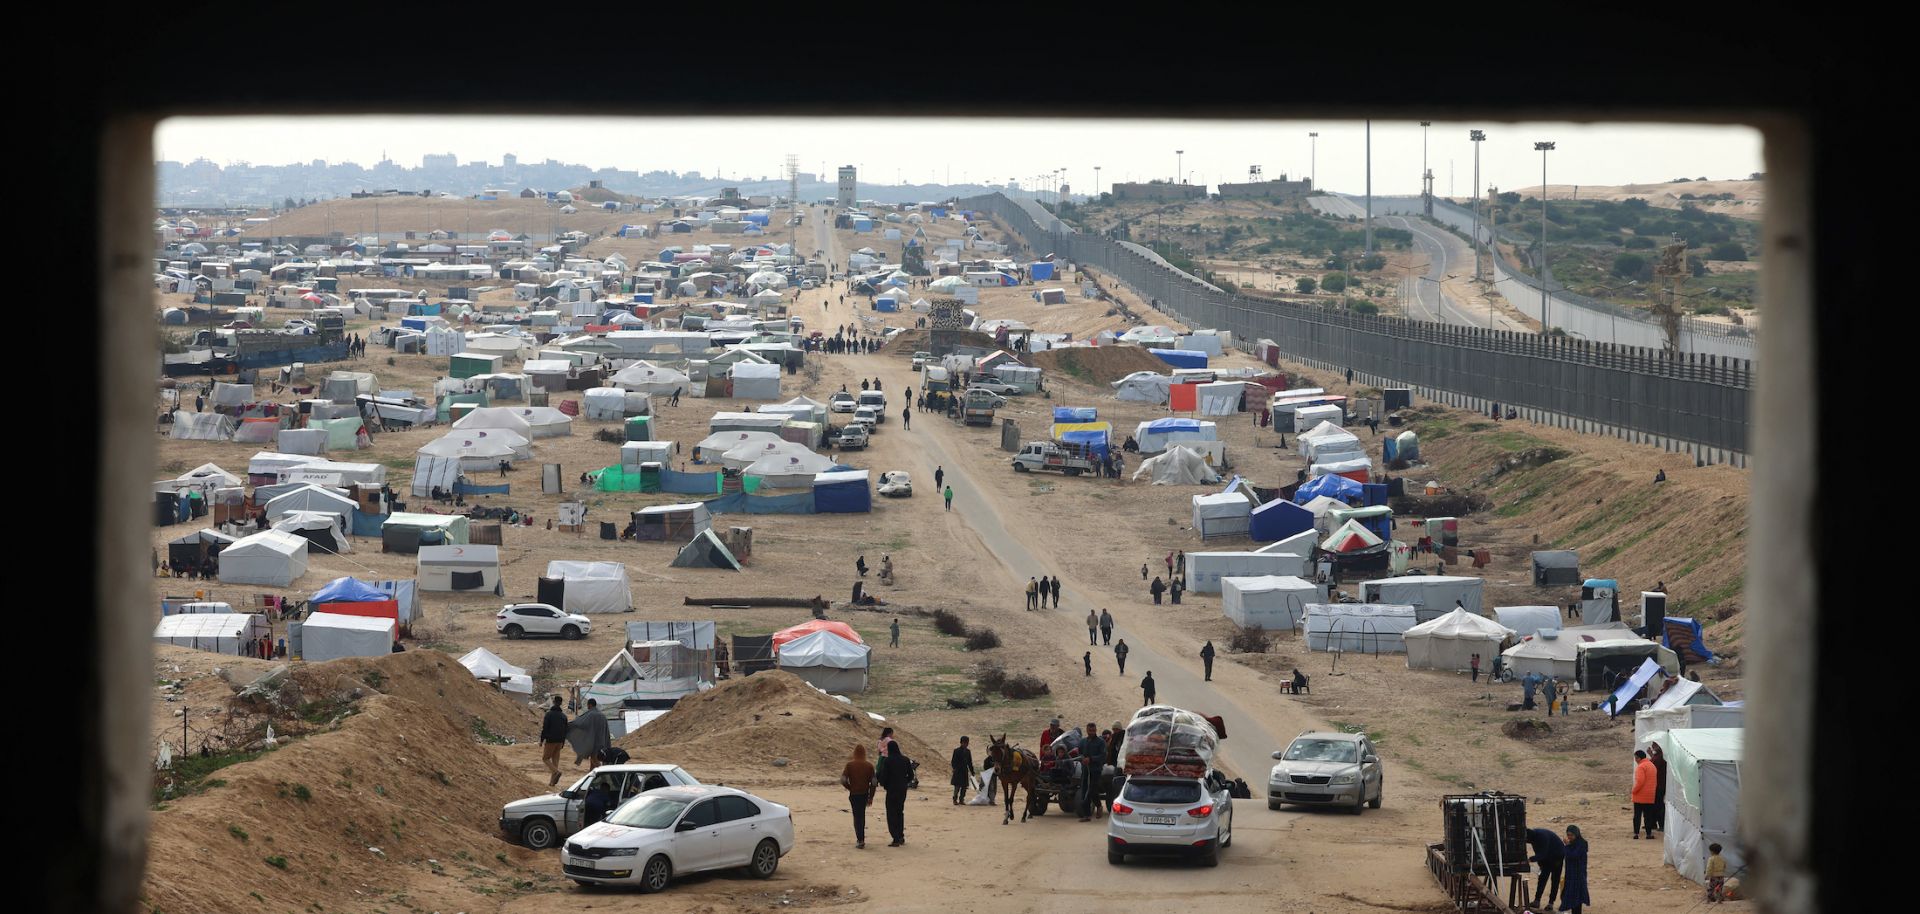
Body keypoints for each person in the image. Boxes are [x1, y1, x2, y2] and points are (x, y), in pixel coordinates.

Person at [841, 745, 876, 849]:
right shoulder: (869, 766)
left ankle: (860, 839)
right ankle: (862, 838)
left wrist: (850, 787)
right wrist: (871, 796)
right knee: (862, 815)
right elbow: (874, 783)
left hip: (854, 794)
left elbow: (843, 780)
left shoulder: (849, 765)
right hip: (864, 794)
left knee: (856, 817)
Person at [880, 741, 913, 847]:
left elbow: (884, 776)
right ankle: (901, 836)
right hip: (902, 790)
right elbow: (911, 775)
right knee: (899, 812)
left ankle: (895, 838)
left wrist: (885, 785)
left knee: (891, 813)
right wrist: (904, 782)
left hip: (892, 790)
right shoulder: (905, 760)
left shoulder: (888, 761)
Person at [1527, 825, 1566, 910]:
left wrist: (1530, 859)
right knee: (1542, 878)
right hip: (1547, 856)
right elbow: (1539, 853)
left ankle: (1551, 903)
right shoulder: (1534, 838)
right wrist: (1540, 865)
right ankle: (1537, 900)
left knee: (1555, 879)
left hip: (1557, 856)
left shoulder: (1542, 836)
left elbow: (1542, 853)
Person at [567, 699, 612, 771]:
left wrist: (569, 725)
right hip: (602, 742)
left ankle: (603, 773)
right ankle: (591, 775)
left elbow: (581, 723)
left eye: (588, 705)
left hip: (594, 743)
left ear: (590, 705)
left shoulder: (590, 715)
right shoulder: (602, 715)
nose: (587, 706)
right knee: (593, 760)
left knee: (595, 760)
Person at [538, 695, 570, 785]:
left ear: (554, 702)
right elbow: (565, 730)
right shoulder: (564, 716)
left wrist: (541, 740)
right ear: (560, 703)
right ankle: (552, 783)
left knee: (545, 758)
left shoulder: (549, 714)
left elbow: (545, 728)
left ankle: (556, 772)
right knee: (555, 761)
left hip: (551, 740)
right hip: (560, 741)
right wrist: (563, 741)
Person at [1559, 825, 1591, 914]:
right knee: (1571, 897)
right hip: (1571, 875)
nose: (1569, 837)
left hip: (1578, 875)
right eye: (1568, 835)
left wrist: (1567, 846)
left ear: (1576, 834)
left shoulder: (1581, 844)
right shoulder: (1573, 844)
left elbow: (1574, 856)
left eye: (1571, 835)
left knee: (1577, 898)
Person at [1078, 722, 1106, 821]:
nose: (1091, 732)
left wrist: (1091, 759)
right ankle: (1087, 815)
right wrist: (1082, 759)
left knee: (1092, 791)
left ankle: (1098, 806)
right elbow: (1079, 754)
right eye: (1090, 730)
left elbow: (1103, 756)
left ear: (1096, 730)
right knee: (1084, 791)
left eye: (1093, 731)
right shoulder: (1082, 742)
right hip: (1085, 770)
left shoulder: (1101, 742)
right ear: (1087, 730)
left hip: (1096, 771)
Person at [1632, 750, 1658, 838]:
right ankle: (1648, 834)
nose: (1635, 760)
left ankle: (1636, 833)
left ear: (1639, 758)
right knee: (1648, 816)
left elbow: (1640, 782)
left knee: (1637, 816)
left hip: (1640, 795)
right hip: (1650, 796)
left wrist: (1634, 791)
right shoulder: (1652, 765)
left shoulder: (1641, 767)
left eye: (1636, 758)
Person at [1648, 742, 1668, 833]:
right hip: (1657, 785)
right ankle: (1653, 823)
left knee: (1659, 805)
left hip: (1659, 785)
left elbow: (1653, 766)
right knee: (1655, 805)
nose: (1652, 747)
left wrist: (1651, 755)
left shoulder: (1661, 757)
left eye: (1654, 745)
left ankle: (1661, 824)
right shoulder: (1658, 756)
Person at [950, 736, 974, 805]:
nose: (966, 744)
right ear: (961, 743)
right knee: (957, 787)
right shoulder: (956, 751)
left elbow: (970, 763)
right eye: (964, 743)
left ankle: (961, 800)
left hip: (964, 771)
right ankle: (955, 800)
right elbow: (953, 761)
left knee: (964, 787)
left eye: (967, 743)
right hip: (958, 771)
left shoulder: (968, 752)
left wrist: (972, 772)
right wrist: (954, 768)